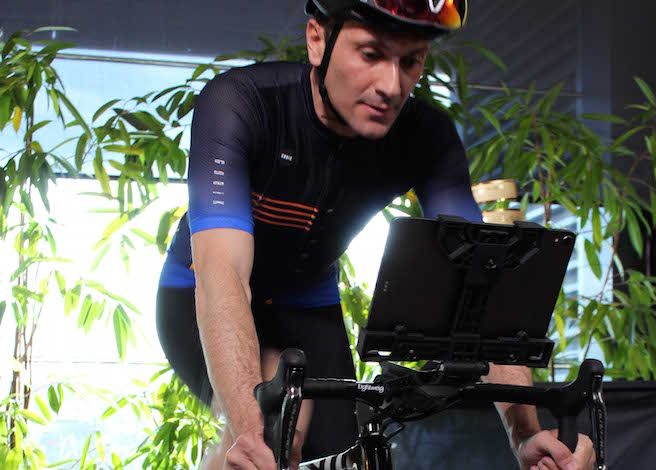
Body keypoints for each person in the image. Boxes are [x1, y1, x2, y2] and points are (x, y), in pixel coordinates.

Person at [156, 1, 596, 469]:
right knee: (274, 433)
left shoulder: (426, 136)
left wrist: (525, 434)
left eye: (410, 61)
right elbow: (223, 274)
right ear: (317, 40)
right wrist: (249, 432)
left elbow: (479, 289)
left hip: (308, 302)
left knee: (346, 458)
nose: (391, 85)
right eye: (370, 54)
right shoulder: (241, 102)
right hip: (200, 289)